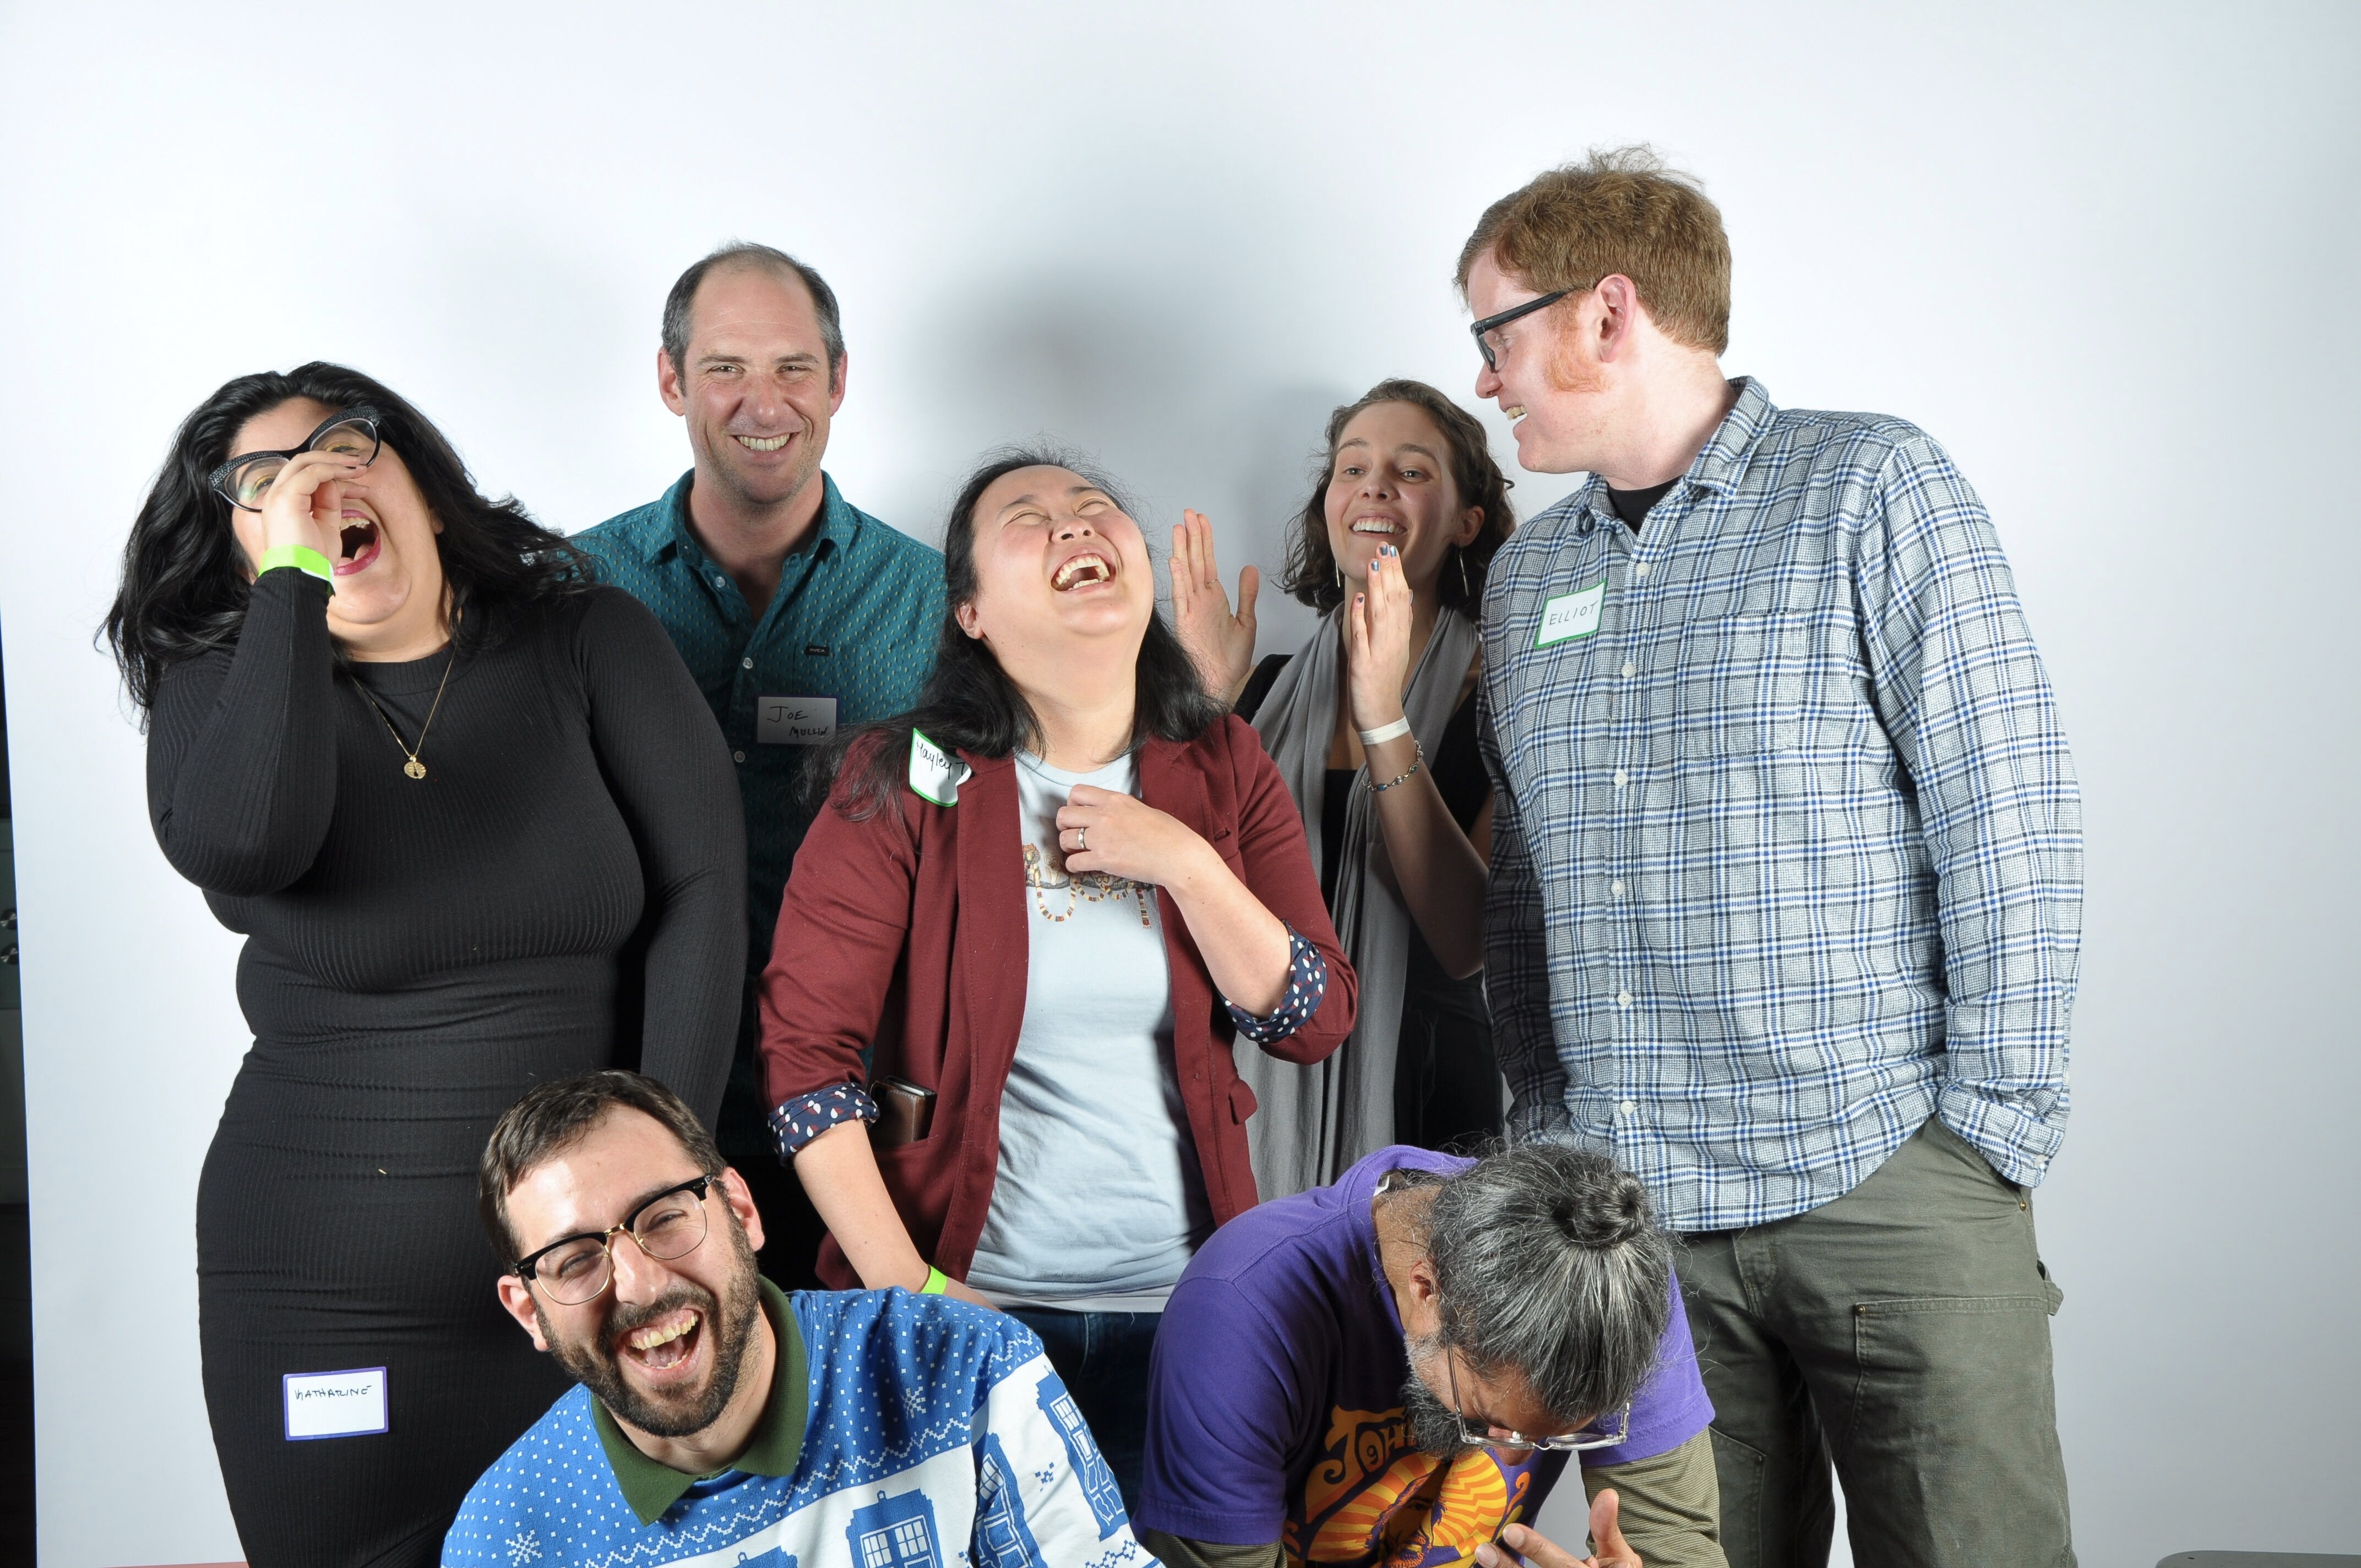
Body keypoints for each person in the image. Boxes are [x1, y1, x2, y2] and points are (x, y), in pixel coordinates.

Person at [1461, 149, 2083, 1567]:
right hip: (1636, 1228)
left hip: (1890, 1176)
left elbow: (2007, 812)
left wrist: (1985, 1132)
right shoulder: (1525, 578)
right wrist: (1553, 1127)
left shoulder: (1871, 486)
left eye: (1497, 333)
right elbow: (1523, 890)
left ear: (1605, 313)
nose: (1485, 378)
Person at [105, 364, 744, 1568]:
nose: (313, 485)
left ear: (426, 487)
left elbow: (702, 895)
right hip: (325, 1280)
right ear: (241, 551)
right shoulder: (222, 690)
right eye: (263, 485)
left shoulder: (587, 638)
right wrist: (291, 589)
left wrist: (672, 1184)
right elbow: (244, 847)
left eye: (345, 447)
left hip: (594, 1266)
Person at [758, 448, 1358, 1512]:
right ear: (972, 614)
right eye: (1027, 518)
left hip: (1192, 1317)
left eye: (1093, 507)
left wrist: (1186, 863)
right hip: (966, 1310)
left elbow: (1312, 1018)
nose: (1075, 524)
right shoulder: (904, 776)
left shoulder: (1221, 761)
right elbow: (805, 1063)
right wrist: (916, 1290)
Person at [573, 242, 947, 1289]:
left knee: (856, 1373)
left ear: (838, 382)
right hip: (633, 1081)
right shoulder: (573, 587)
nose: (763, 403)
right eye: (726, 368)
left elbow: (976, 834)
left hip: (863, 1102)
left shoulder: (933, 602)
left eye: (793, 368)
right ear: (671, 380)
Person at [445, 1070, 1158, 1567]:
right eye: (575, 1260)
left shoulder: (972, 1367)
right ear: (528, 1310)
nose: (639, 1284)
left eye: (664, 1217)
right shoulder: (499, 1539)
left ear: (741, 1211)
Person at [1172, 380, 1512, 1198]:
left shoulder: (1505, 692)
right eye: (1351, 468)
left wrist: (1383, 715)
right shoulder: (1265, 691)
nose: (1374, 487)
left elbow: (1463, 941)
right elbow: (1183, 893)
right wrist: (1207, 706)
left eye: (1412, 471)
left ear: (1467, 522)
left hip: (1426, 1102)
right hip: (1255, 1087)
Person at [1136, 1142, 1722, 1568]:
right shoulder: (1239, 1309)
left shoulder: (1613, 1284)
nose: (1513, 1455)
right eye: (1486, 1420)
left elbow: (1676, 1545)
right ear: (1427, 1290)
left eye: (1566, 1434)